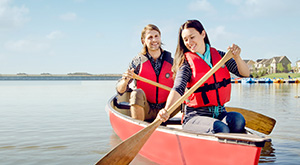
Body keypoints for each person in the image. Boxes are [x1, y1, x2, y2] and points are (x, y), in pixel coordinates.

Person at [157, 20, 250, 134]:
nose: (189, 42)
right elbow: (178, 88)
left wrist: (237, 57)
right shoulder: (185, 63)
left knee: (238, 121)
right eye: (185, 39)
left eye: (192, 37)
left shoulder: (220, 56)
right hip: (195, 116)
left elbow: (245, 73)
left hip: (220, 113)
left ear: (203, 34)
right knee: (221, 129)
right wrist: (166, 110)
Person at [116, 24, 179, 121]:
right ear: (143, 41)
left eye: (156, 36)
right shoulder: (137, 61)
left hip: (167, 110)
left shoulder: (171, 61)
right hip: (146, 109)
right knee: (136, 93)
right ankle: (140, 129)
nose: (154, 40)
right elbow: (120, 91)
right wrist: (125, 80)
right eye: (150, 37)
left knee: (185, 92)